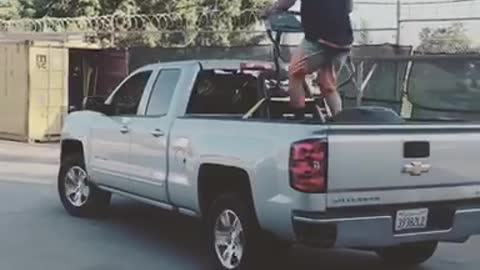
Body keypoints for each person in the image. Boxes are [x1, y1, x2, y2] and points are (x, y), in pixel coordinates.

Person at [263, 0, 354, 116]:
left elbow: (287, 2)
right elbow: (349, 8)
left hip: (320, 38)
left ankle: (299, 118)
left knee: (295, 73)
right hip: (344, 39)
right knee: (328, 85)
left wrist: (271, 9)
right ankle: (341, 123)